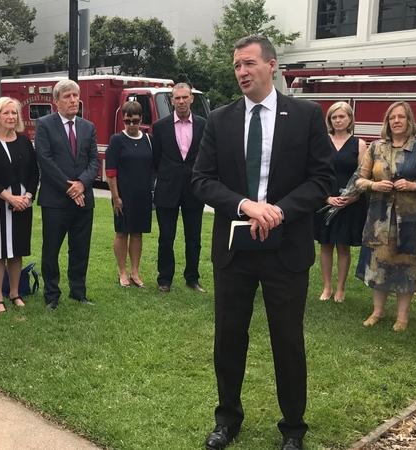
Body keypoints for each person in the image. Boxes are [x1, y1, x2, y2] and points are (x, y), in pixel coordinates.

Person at [191, 35, 335, 450]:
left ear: (272, 66)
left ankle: (293, 428)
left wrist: (279, 211)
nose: (241, 72)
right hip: (235, 249)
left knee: (287, 340)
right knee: (229, 337)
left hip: (286, 250)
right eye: (237, 65)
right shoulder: (220, 120)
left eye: (249, 63)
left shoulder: (306, 115)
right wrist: (245, 206)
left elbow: (322, 179)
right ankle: (227, 419)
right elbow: (202, 180)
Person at [355, 101, 416, 332]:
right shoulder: (376, 148)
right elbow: (358, 179)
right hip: (380, 219)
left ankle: (402, 317)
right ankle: (377, 312)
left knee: (407, 264)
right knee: (379, 264)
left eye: (401, 117)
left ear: (409, 121)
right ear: (387, 122)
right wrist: (374, 185)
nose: (396, 121)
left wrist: (414, 185)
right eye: (392, 118)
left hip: (411, 219)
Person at [35, 79, 100, 310]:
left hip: (84, 200)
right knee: (51, 249)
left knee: (80, 248)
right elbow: (45, 160)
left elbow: (94, 161)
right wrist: (70, 188)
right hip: (55, 201)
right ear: (56, 102)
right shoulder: (44, 125)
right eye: (67, 96)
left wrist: (82, 184)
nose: (73, 100)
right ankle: (51, 294)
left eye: (75, 96)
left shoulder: (88, 127)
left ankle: (78, 292)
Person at [0, 97, 38, 312]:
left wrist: (28, 196)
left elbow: (34, 172)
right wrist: (9, 197)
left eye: (14, 113)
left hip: (23, 203)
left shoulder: (24, 141)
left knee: (17, 250)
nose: (11, 117)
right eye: (6, 113)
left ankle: (15, 293)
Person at [152, 83, 207, 293]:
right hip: (167, 188)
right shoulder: (160, 126)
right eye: (177, 98)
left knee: (194, 238)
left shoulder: (204, 125)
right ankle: (164, 280)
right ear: (172, 101)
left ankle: (192, 278)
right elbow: (156, 159)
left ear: (192, 99)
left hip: (194, 189)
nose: (181, 101)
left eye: (185, 97)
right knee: (166, 237)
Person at [314, 102, 367, 303]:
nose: (337, 121)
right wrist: (326, 197)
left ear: (350, 119)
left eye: (341, 117)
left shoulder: (359, 144)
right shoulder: (321, 142)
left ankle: (340, 289)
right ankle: (327, 287)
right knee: (326, 245)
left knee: (343, 246)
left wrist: (353, 196)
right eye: (334, 117)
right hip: (325, 200)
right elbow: (315, 171)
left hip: (349, 202)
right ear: (329, 120)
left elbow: (363, 175)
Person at [106, 100, 153, 288]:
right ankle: (123, 272)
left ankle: (135, 272)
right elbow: (110, 172)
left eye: (135, 120)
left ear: (141, 119)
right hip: (122, 195)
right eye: (127, 121)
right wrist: (116, 197)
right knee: (121, 232)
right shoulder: (117, 140)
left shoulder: (149, 140)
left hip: (143, 195)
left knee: (137, 234)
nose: (131, 125)